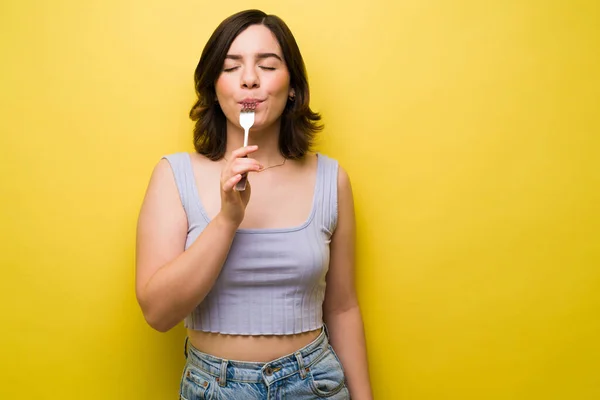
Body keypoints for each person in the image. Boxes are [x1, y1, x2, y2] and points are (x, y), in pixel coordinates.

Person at [135, 9, 373, 399]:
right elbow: (158, 314)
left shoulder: (332, 180)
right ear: (214, 88)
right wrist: (228, 218)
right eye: (232, 67)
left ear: (293, 86)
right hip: (214, 386)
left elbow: (343, 308)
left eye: (267, 65)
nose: (250, 78)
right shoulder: (173, 176)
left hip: (315, 383)